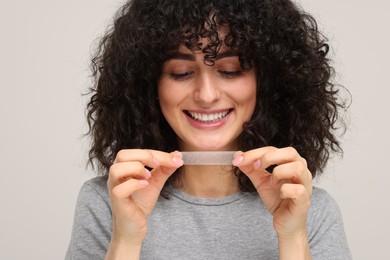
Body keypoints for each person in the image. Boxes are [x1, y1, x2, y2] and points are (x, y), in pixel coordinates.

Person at [65, 0, 352, 259]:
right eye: (181, 73)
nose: (206, 95)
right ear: (149, 85)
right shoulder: (108, 201)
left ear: (266, 83)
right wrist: (126, 239)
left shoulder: (310, 210)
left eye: (230, 70)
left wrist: (292, 237)